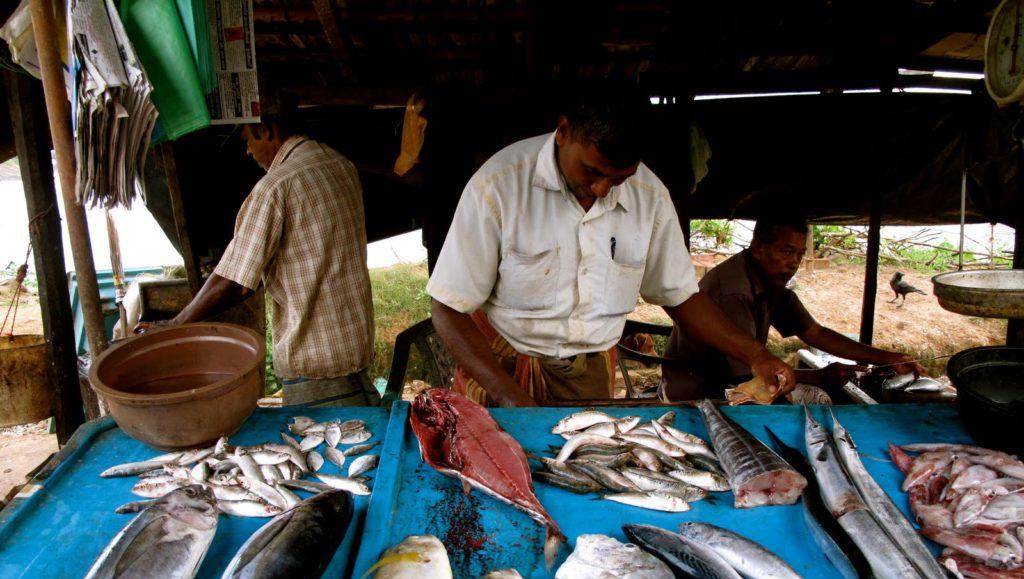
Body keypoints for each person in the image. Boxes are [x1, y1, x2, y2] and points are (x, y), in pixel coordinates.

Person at [426, 87, 795, 407]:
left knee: (584, 481)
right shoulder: (499, 186)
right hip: (499, 369)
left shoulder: (650, 197)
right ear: (564, 131)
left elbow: (681, 297)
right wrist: (508, 396)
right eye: (592, 171)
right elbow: (447, 307)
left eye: (620, 178)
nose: (602, 189)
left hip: (587, 376)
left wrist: (756, 354)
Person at [138, 101, 378, 407]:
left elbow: (234, 280)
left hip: (316, 369)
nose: (248, 152)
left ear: (266, 130)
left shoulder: (275, 188)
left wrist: (177, 325)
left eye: (247, 141)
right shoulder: (341, 167)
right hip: (356, 355)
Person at [659, 217, 924, 401]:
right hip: (702, 391)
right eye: (786, 252)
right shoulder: (735, 291)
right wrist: (818, 378)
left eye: (799, 254)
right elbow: (749, 376)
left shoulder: (769, 280)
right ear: (759, 248)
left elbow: (814, 333)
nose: (794, 263)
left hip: (732, 380)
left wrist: (886, 358)